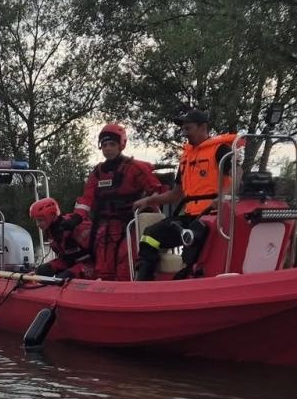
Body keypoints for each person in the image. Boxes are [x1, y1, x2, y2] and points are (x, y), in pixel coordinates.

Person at [130, 110, 237, 281]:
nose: (185, 134)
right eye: (183, 129)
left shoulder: (220, 150)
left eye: (189, 128)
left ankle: (187, 280)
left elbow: (239, 176)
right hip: (191, 219)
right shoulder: (186, 157)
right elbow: (176, 194)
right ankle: (144, 284)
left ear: (203, 127)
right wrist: (149, 200)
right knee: (150, 235)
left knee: (193, 248)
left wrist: (222, 198)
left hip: (213, 219)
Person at [74, 122, 163, 280]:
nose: (108, 148)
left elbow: (156, 190)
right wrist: (76, 217)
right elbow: (86, 199)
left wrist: (149, 205)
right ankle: (106, 296)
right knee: (103, 264)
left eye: (112, 144)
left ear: (121, 145)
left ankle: (129, 294)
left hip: (129, 224)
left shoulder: (135, 168)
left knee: (125, 261)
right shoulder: (97, 172)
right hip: (105, 227)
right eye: (104, 145)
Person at [29, 197, 94, 279]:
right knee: (43, 270)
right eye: (36, 221)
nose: (37, 224)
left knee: (65, 277)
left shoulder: (75, 227)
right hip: (73, 263)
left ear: (51, 215)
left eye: (40, 220)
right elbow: (64, 259)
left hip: (90, 265)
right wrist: (38, 271)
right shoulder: (52, 232)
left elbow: (97, 252)